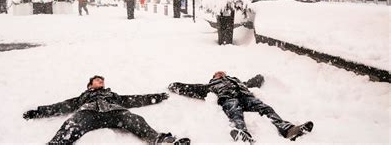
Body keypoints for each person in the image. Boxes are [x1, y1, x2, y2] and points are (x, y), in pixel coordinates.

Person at [23, 75, 189, 144]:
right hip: (89, 113)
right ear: (90, 85)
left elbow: (135, 99)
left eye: (101, 80)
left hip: (115, 113)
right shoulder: (82, 98)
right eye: (97, 80)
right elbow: (60, 107)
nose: (100, 81)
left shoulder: (113, 95)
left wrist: (158, 96)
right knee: (73, 124)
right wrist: (37, 112)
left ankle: (160, 141)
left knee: (135, 119)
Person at [168, 71, 313, 143]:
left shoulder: (238, 82)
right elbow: (191, 88)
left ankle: (288, 129)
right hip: (228, 99)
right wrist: (175, 86)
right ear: (214, 78)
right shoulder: (210, 86)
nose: (221, 73)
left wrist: (259, 77)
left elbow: (253, 82)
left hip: (247, 98)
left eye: (222, 72)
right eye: (217, 74)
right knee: (234, 111)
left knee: (265, 108)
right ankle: (242, 133)